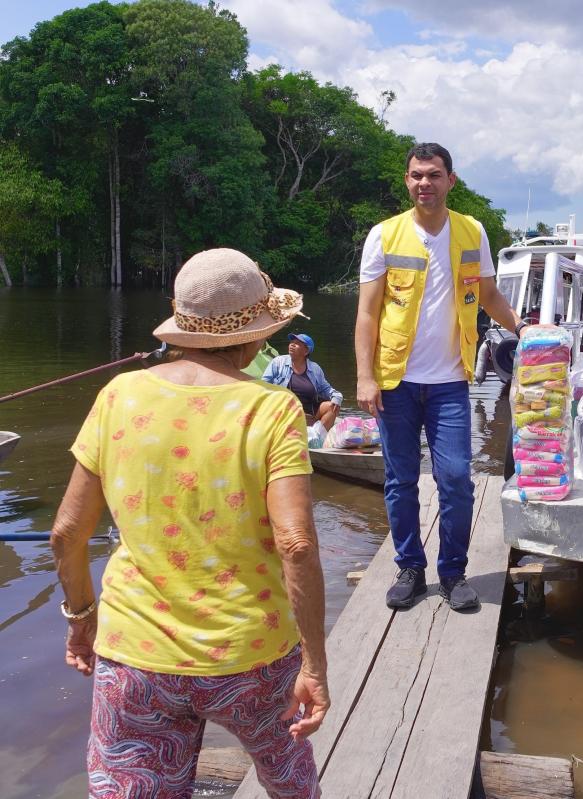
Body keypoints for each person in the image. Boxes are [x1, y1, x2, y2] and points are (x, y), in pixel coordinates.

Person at [50, 249, 329, 798]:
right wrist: (315, 667)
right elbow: (295, 544)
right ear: (255, 338)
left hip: (135, 656)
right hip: (252, 656)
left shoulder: (119, 395)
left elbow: (66, 534)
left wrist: (82, 618)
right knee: (289, 781)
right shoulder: (271, 410)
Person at [355, 142, 522, 611]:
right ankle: (410, 567)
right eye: (415, 175)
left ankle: (452, 573)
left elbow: (488, 294)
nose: (423, 183)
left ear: (451, 180)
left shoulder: (472, 232)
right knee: (400, 479)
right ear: (407, 181)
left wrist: (523, 327)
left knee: (454, 478)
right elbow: (367, 313)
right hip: (395, 381)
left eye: (433, 175)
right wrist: (365, 377)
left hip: (451, 379)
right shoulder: (384, 236)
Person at [263, 332, 343, 446]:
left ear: (306, 351)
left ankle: (317, 440)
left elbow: (326, 388)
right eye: (291, 342)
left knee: (332, 406)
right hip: (286, 411)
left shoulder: (315, 368)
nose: (292, 345)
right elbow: (264, 384)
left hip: (310, 413)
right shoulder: (278, 362)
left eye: (297, 344)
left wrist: (337, 397)